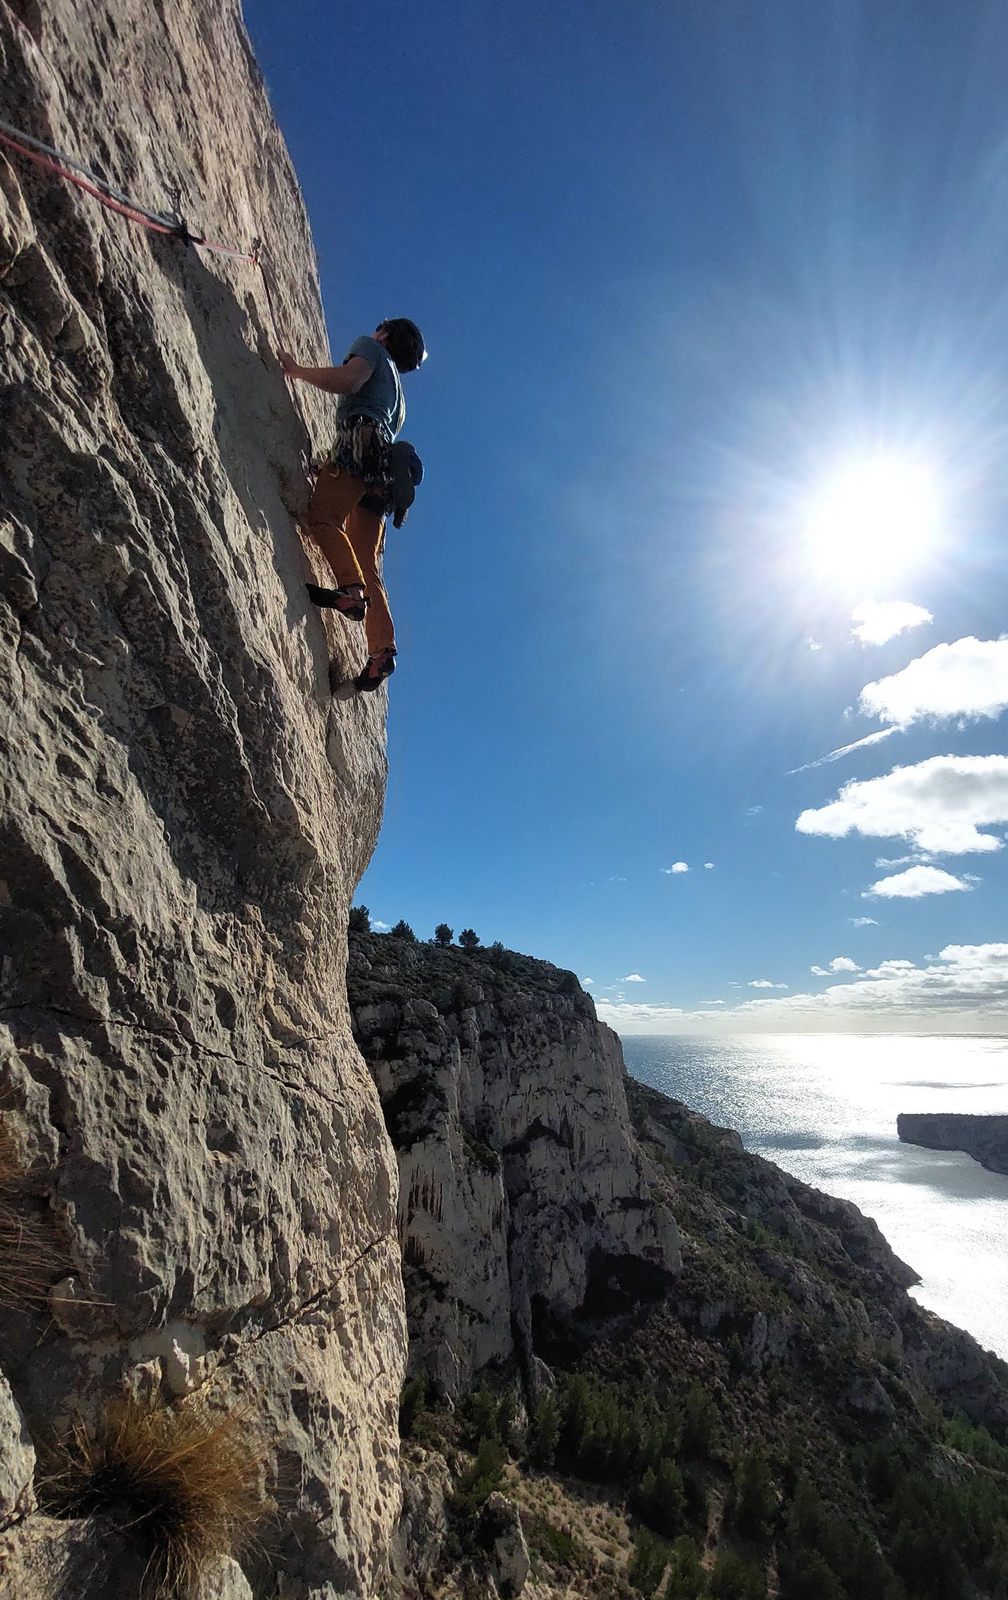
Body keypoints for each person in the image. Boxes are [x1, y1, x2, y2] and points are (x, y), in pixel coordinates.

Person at [278, 318, 426, 691]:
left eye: (380, 327)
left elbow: (349, 382)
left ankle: (350, 593)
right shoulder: (399, 398)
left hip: (360, 450)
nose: (375, 330)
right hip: (383, 479)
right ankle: (381, 652)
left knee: (323, 518)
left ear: (385, 334)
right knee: (367, 561)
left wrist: (296, 370)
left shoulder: (371, 349)